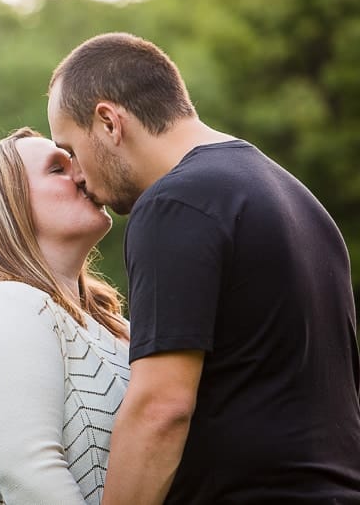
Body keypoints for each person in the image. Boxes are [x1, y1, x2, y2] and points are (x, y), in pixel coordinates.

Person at [47, 31, 360, 504]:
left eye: (70, 148)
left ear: (109, 122)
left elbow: (160, 407)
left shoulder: (175, 202)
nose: (77, 173)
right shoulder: (296, 198)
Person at [0, 127, 130, 504]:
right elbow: (31, 476)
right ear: (2, 206)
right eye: (58, 168)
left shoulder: (115, 328)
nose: (82, 173)